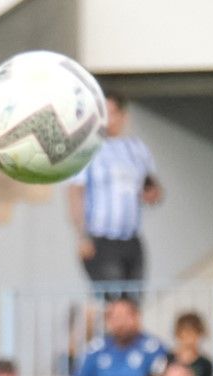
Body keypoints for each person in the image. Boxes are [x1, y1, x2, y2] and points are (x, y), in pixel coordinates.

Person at [71, 94, 160, 286]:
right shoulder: (88, 149)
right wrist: (82, 236)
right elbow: (75, 193)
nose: (106, 120)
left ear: (123, 116)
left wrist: (152, 193)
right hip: (101, 239)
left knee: (132, 304)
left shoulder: (137, 149)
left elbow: (152, 187)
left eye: (111, 113)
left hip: (131, 239)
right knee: (113, 304)